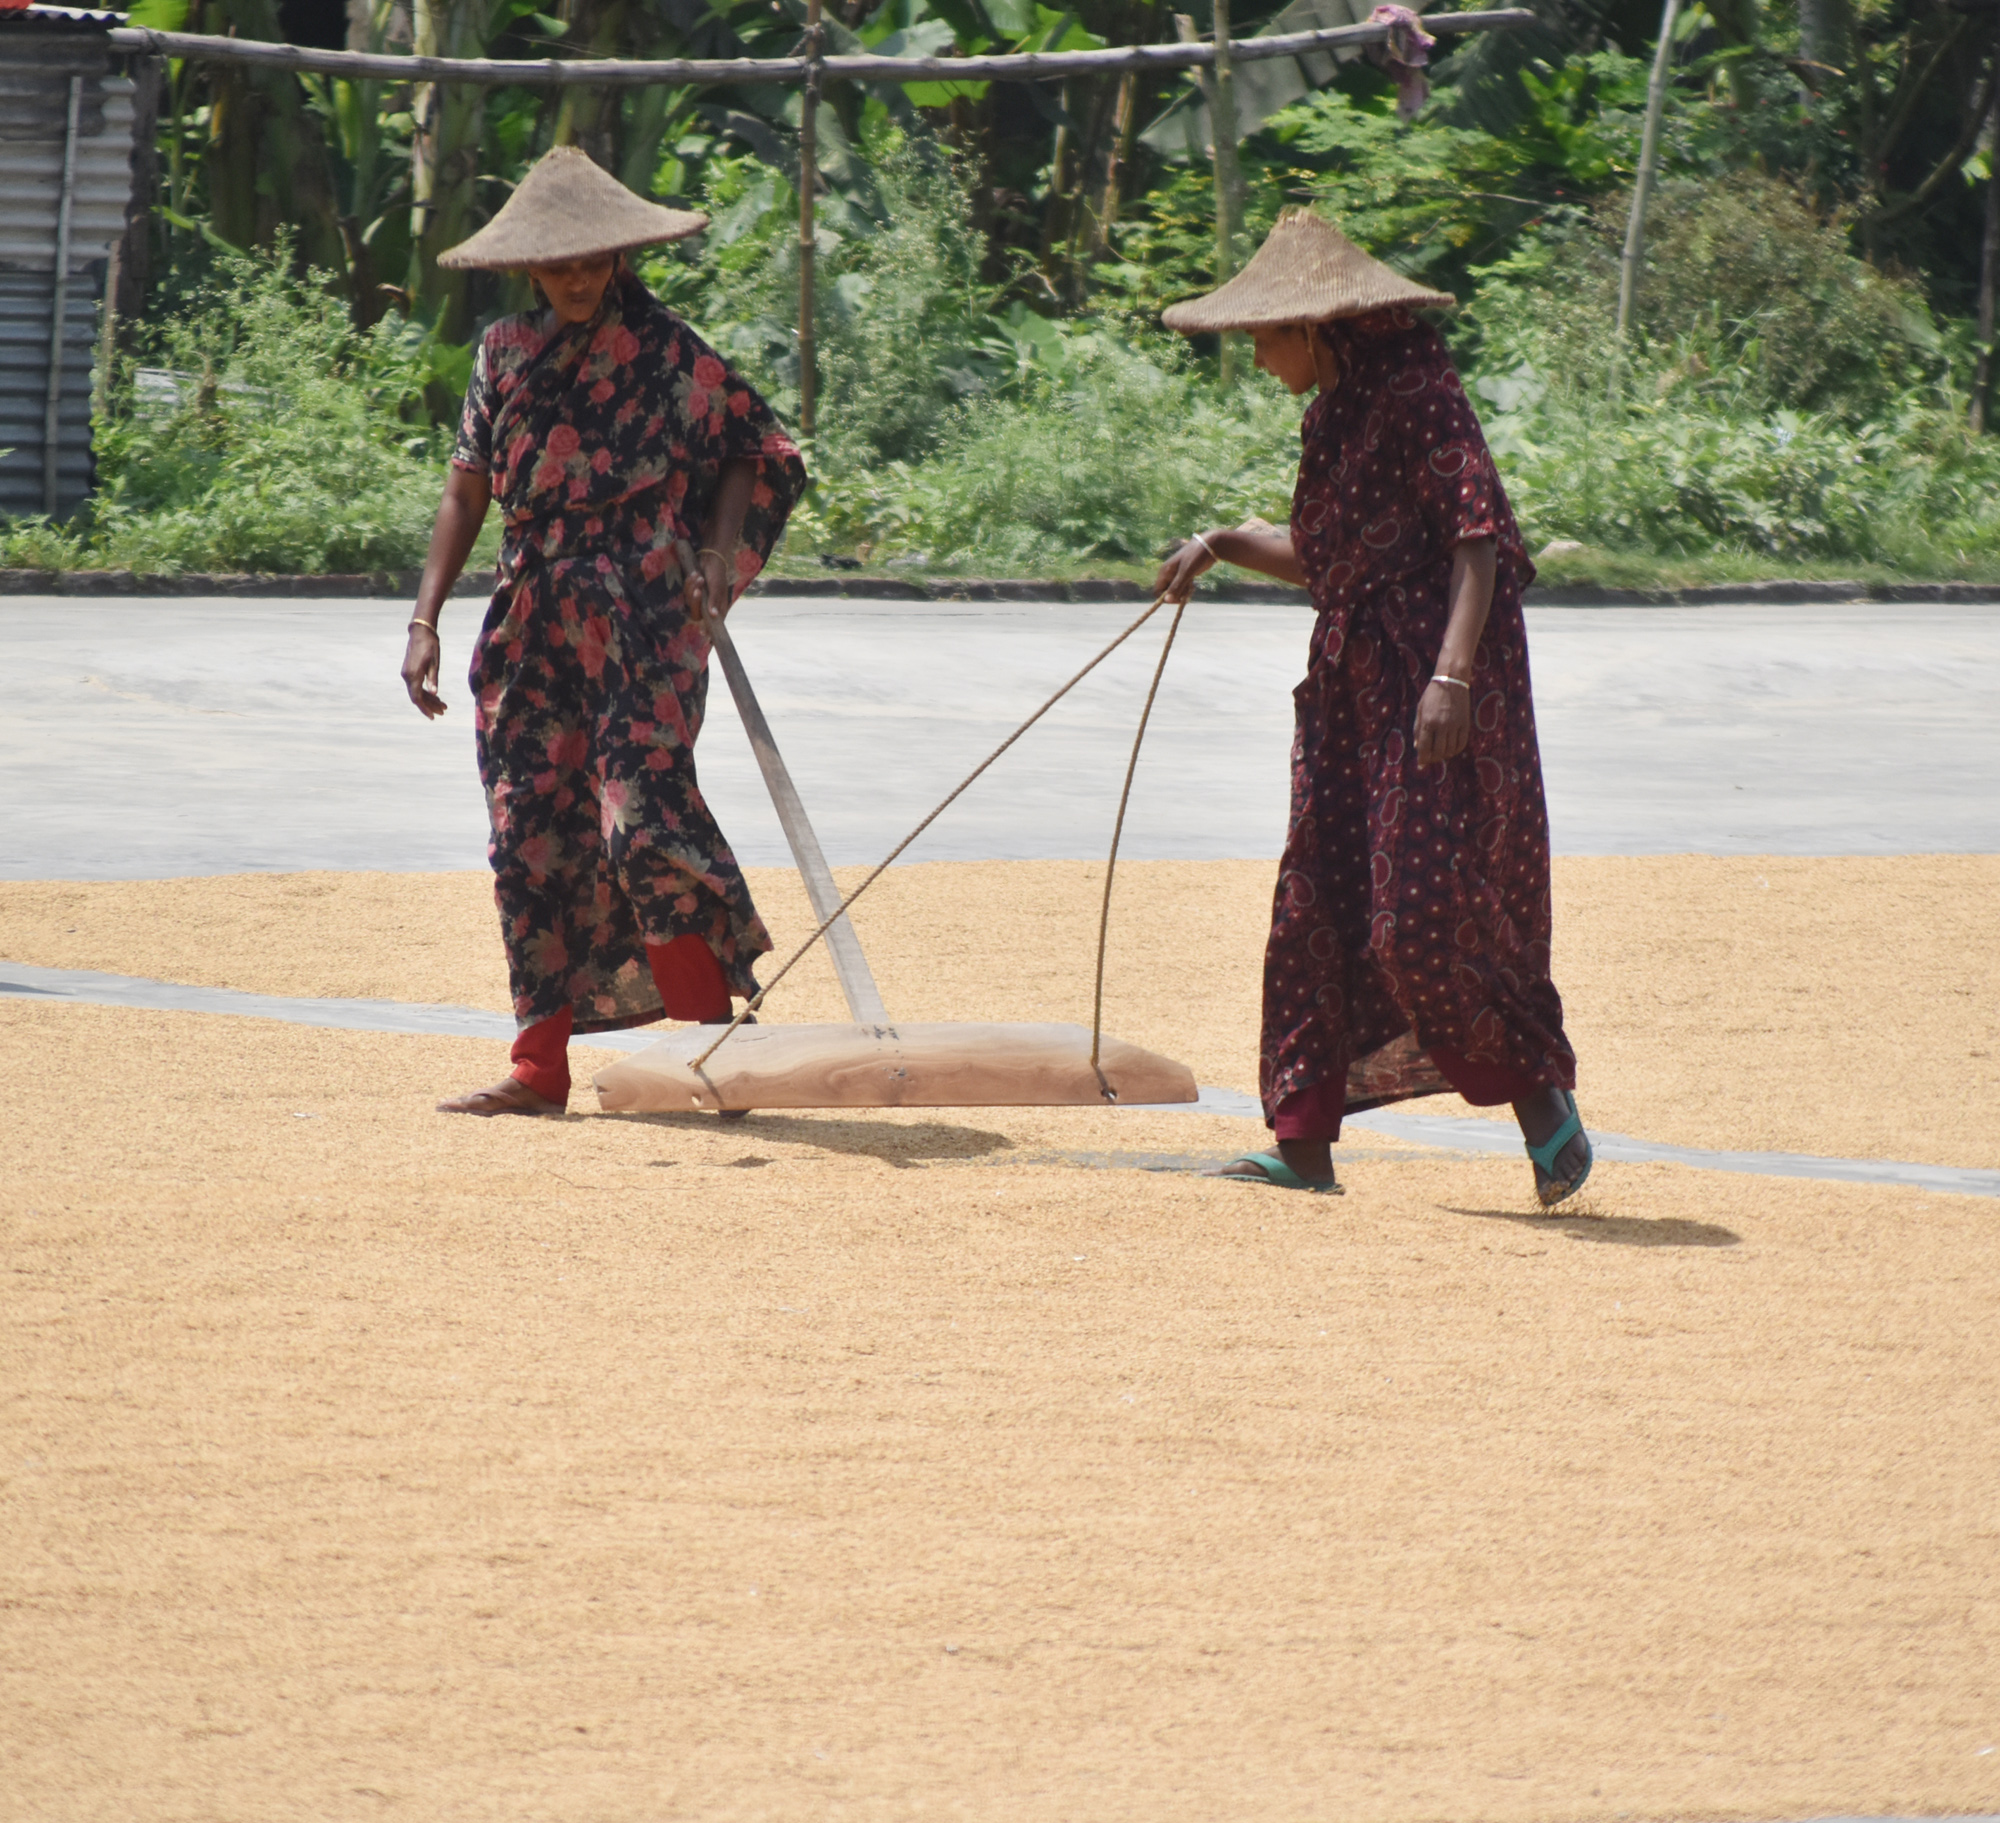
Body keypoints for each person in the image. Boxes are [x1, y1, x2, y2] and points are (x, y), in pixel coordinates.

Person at [1154, 208, 1591, 1205]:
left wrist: (1450, 679)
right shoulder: (1332, 412)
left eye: (1263, 338)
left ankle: (1540, 1102)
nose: (1256, 357)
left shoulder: (1416, 387)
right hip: (1351, 690)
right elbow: (1325, 557)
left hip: (1438, 680)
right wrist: (1219, 542)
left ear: (1312, 328)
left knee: (1419, 914)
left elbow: (1473, 536)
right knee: (1314, 902)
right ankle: (1301, 1146)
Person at [399, 147, 807, 1117]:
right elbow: (466, 490)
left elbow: (757, 450)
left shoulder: (671, 353)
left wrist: (714, 556)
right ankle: (539, 1068)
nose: (577, 279)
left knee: (643, 819)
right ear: (529, 267)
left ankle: (716, 1054)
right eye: (559, 265)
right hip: (531, 615)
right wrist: (425, 616)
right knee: (526, 830)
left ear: (620, 258)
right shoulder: (502, 353)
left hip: (644, 616)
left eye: (592, 262)